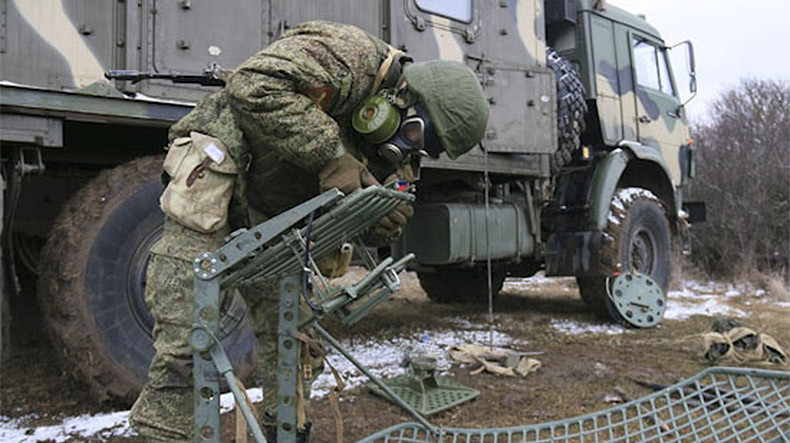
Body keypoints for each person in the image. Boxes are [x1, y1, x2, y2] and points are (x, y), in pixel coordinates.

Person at [129, 20, 489, 442]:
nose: (408, 149)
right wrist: (332, 155)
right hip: (220, 172)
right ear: (399, 96)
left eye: (423, 147)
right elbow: (253, 83)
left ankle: (285, 433)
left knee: (295, 342)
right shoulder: (348, 56)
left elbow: (366, 221)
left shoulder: (401, 155)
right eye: (414, 132)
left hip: (280, 214)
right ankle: (165, 435)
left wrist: (377, 221)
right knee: (187, 334)